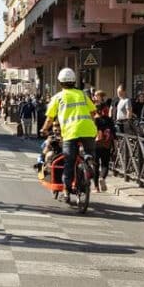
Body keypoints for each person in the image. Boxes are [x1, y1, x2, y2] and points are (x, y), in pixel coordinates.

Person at [40, 67, 98, 203]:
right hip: (88, 131)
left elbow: (49, 118)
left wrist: (43, 130)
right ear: (74, 81)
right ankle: (89, 166)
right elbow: (93, 112)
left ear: (60, 82)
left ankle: (66, 190)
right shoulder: (83, 95)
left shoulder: (58, 97)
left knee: (69, 162)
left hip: (71, 133)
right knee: (90, 153)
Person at [93, 103, 116, 192]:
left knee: (95, 165)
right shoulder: (109, 120)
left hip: (96, 144)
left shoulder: (95, 120)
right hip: (106, 144)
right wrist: (115, 147)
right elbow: (114, 134)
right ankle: (102, 177)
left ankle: (96, 187)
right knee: (105, 164)